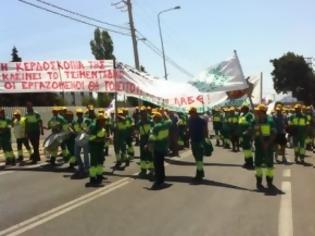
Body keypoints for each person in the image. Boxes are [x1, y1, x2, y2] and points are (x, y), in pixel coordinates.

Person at [253, 104, 277, 191]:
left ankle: (269, 182)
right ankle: (258, 182)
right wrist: (253, 131)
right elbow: (252, 131)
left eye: (257, 111)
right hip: (258, 146)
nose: (255, 112)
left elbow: (274, 133)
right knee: (258, 164)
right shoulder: (255, 120)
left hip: (268, 146)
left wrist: (268, 143)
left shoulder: (270, 121)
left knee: (269, 165)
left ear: (262, 112)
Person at [149, 110, 172, 190]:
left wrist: (149, 146)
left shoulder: (156, 127)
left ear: (157, 118)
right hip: (164, 147)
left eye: (154, 118)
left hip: (157, 148)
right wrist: (165, 114)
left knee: (157, 166)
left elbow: (152, 139)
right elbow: (169, 120)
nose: (153, 120)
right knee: (161, 165)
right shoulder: (166, 124)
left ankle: (158, 181)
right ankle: (162, 180)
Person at [188, 107, 208, 181]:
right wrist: (188, 136)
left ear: (195, 113)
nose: (191, 114)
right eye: (190, 113)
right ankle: (201, 172)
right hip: (193, 141)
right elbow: (189, 129)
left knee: (199, 158)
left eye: (192, 112)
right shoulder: (190, 120)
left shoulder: (201, 120)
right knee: (196, 157)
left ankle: (199, 174)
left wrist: (206, 139)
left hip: (200, 141)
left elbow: (205, 130)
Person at [86, 114, 107, 187]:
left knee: (100, 161)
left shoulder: (101, 127)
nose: (104, 122)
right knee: (94, 163)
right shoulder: (93, 127)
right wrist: (101, 139)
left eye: (104, 121)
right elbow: (91, 138)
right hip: (94, 147)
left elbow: (102, 136)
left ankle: (99, 175)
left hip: (100, 147)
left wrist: (105, 138)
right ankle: (92, 178)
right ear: (99, 121)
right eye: (103, 121)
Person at [137, 106, 154, 178]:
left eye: (143, 112)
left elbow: (152, 131)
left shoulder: (150, 121)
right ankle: (143, 169)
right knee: (143, 155)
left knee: (150, 155)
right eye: (141, 112)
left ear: (146, 112)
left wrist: (149, 142)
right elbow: (137, 130)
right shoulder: (139, 122)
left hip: (149, 138)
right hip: (142, 139)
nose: (142, 114)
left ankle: (151, 169)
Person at [238, 105, 255, 169]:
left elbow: (251, 124)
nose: (240, 110)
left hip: (246, 135)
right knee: (245, 149)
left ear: (245, 109)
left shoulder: (249, 115)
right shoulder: (243, 115)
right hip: (242, 135)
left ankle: (250, 162)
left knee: (247, 148)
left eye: (241, 109)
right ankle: (247, 161)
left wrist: (247, 131)